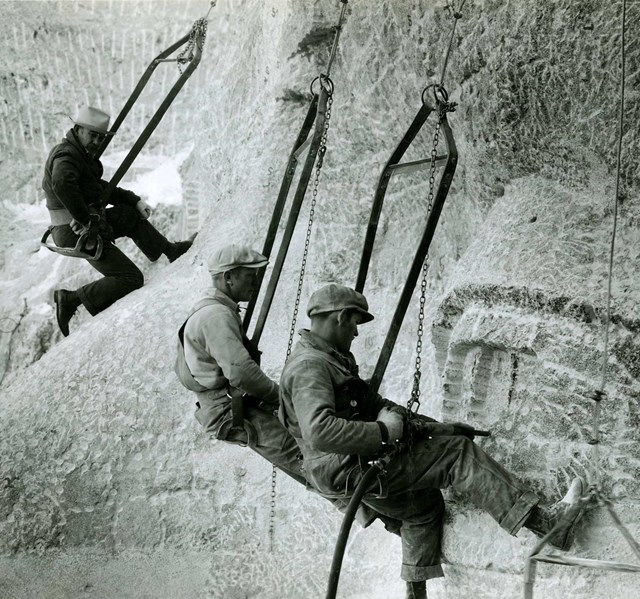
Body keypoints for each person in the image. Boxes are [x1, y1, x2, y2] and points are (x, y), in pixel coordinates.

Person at [279, 283, 585, 599]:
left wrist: (439, 429)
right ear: (340, 317)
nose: (355, 331)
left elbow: (377, 407)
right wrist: (384, 434)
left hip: (346, 467)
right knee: (457, 456)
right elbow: (321, 431)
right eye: (354, 323)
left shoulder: (329, 359)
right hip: (349, 467)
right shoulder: (310, 366)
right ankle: (547, 523)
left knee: (422, 508)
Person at [174, 244, 402, 530]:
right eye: (249, 276)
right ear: (228, 277)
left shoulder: (210, 310)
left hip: (230, 403)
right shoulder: (215, 316)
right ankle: (382, 514)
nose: (255, 283)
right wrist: (282, 399)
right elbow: (241, 372)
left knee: (309, 454)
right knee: (308, 456)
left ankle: (373, 511)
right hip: (231, 409)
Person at [42, 105, 195, 336]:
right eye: (92, 135)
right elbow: (62, 183)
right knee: (130, 278)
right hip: (73, 231)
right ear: (78, 129)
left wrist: (133, 200)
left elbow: (98, 189)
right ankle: (71, 299)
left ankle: (170, 251)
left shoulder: (80, 155)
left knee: (128, 215)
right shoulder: (67, 155)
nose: (95, 141)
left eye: (100, 137)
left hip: (83, 225)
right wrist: (85, 220)